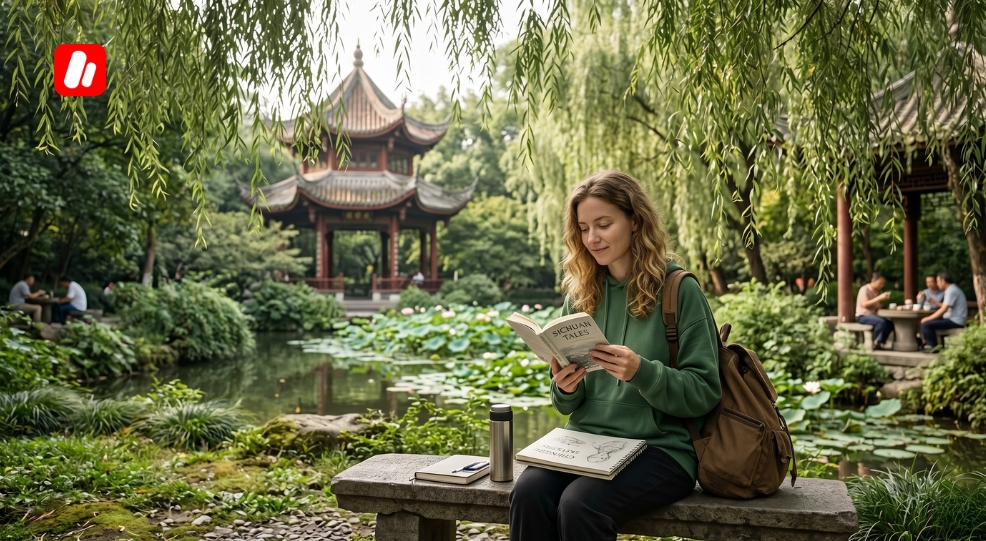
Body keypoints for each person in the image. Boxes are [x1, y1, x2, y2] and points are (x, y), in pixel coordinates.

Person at [509, 171, 721, 541]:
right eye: (584, 227)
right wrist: (565, 386)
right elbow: (564, 404)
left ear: (635, 221)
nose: (592, 238)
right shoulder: (581, 294)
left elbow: (704, 392)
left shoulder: (678, 290)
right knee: (527, 493)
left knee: (580, 504)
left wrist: (643, 372)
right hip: (585, 441)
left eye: (604, 224)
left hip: (661, 449)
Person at [920, 271, 967, 350]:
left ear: (943, 281)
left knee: (926, 324)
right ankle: (926, 343)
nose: (937, 284)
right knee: (927, 322)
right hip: (953, 318)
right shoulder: (952, 289)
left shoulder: (951, 290)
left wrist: (928, 318)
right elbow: (944, 307)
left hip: (956, 321)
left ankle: (932, 346)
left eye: (938, 281)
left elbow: (943, 309)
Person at [855, 272, 894, 350]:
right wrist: (879, 298)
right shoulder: (864, 289)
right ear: (873, 280)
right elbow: (865, 304)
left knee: (890, 323)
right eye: (880, 283)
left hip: (873, 315)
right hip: (862, 316)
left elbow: (876, 306)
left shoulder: (876, 291)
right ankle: (876, 342)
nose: (882, 285)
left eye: (883, 284)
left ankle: (881, 342)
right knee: (881, 322)